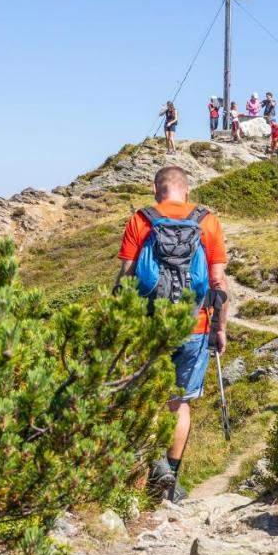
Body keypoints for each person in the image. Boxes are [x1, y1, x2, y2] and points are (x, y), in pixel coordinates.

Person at [114, 166, 229, 504]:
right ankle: (170, 481)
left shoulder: (141, 220)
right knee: (178, 404)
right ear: (187, 190)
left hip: (149, 325)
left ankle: (146, 474)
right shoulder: (207, 221)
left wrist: (120, 323)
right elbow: (219, 283)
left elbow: (125, 278)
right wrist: (220, 328)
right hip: (195, 325)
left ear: (156, 190)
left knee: (147, 400)